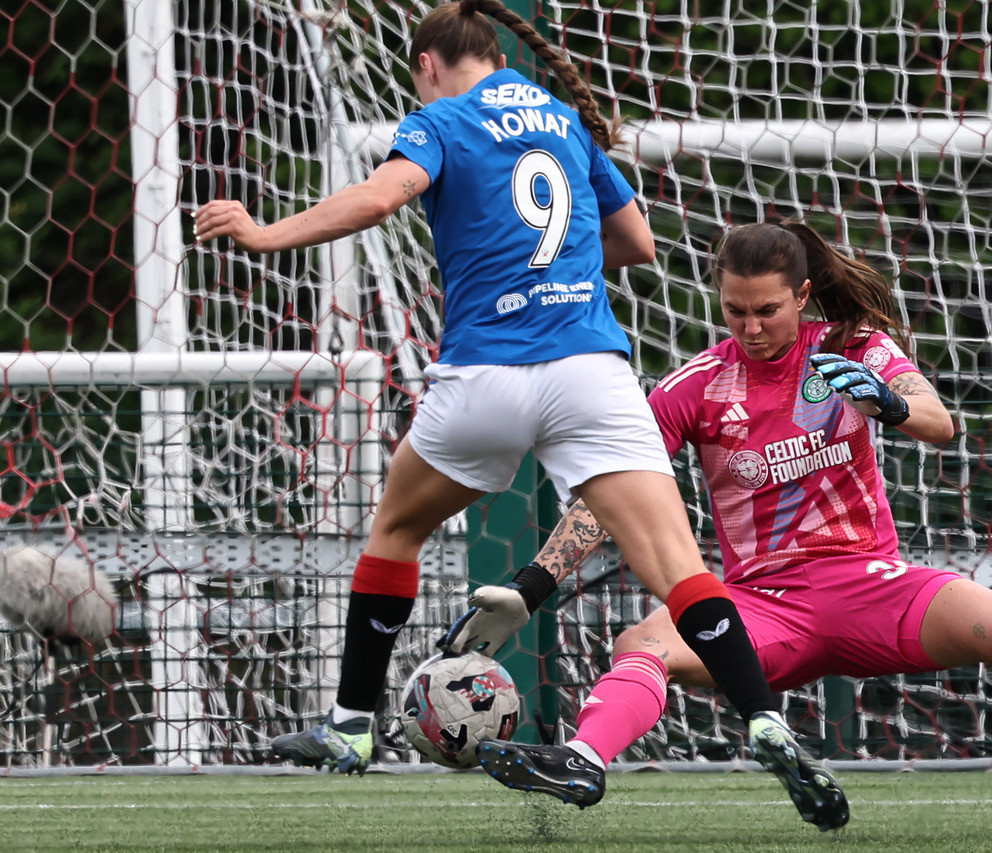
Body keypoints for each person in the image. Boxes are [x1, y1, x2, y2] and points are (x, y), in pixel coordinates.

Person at [193, 0, 845, 829]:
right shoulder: (565, 120)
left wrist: (263, 232)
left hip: (486, 377)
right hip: (589, 374)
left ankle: (353, 726)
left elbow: (381, 196)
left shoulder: (440, 121)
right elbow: (637, 243)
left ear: (428, 64)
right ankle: (764, 717)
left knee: (395, 529)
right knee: (681, 571)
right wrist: (561, 255)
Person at [471, 221, 992, 836]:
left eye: (767, 310)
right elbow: (612, 495)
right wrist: (533, 583)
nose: (750, 326)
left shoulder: (852, 348)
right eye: (734, 310)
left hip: (872, 587)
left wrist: (882, 399)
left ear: (801, 295)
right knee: (641, 641)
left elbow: (938, 420)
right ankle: (583, 761)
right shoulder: (694, 386)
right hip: (761, 607)